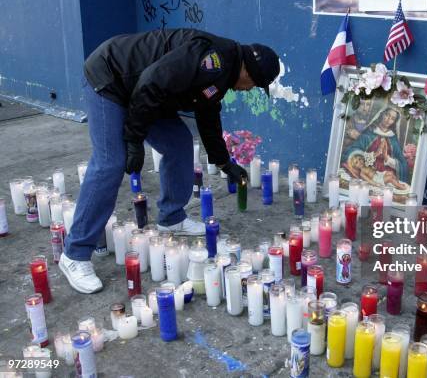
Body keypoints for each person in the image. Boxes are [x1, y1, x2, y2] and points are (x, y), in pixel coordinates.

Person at [59, 28, 280, 294]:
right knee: (110, 163)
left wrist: (224, 162)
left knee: (179, 144)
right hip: (111, 78)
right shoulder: (214, 60)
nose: (250, 90)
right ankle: (75, 254)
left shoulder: (224, 71)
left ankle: (172, 216)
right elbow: (152, 81)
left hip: (147, 92)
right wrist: (133, 140)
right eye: (255, 84)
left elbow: (208, 115)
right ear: (249, 72)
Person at [342, 107, 410, 185]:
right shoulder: (369, 133)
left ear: (394, 122)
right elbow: (352, 150)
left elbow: (403, 163)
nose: (388, 120)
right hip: (368, 170)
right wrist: (372, 155)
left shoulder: (393, 139)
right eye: (387, 115)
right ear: (382, 115)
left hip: (387, 172)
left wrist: (387, 159)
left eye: (392, 118)